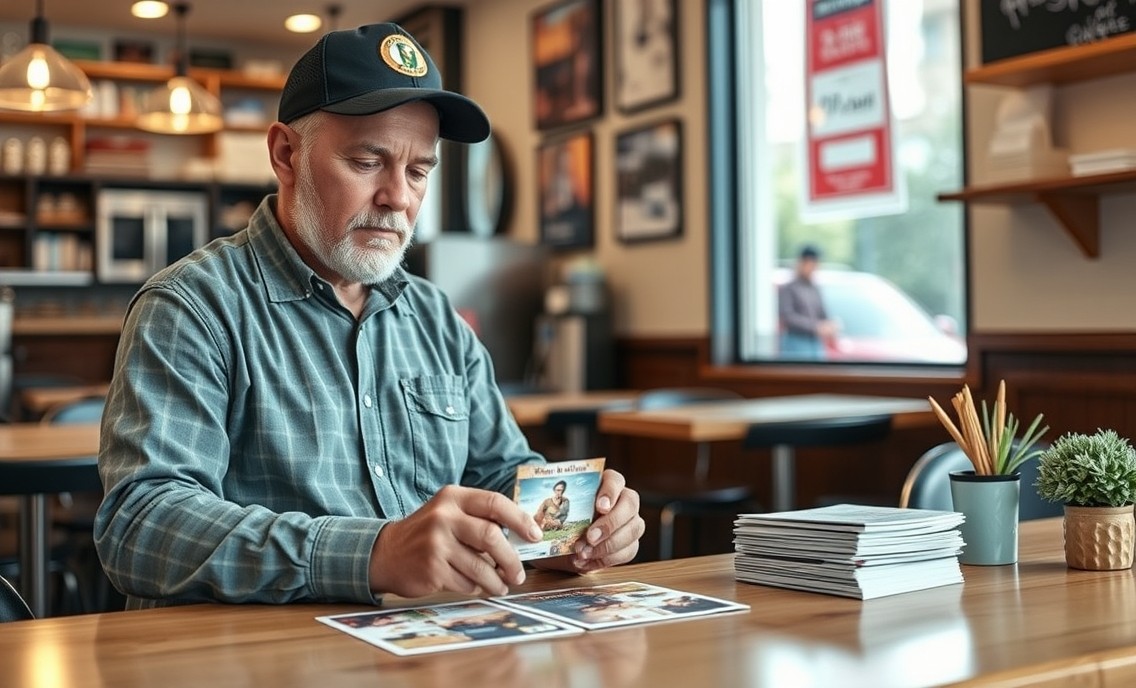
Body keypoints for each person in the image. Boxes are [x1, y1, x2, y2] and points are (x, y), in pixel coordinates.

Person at [93, 22, 644, 609]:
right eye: (367, 161)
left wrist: (569, 527)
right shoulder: (192, 308)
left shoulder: (436, 319)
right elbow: (141, 525)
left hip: (430, 647)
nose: (398, 198)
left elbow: (500, 474)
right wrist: (373, 553)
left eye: (418, 171)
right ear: (287, 154)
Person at [777, 245, 838, 360]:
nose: (813, 268)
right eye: (810, 264)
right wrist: (815, 327)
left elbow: (822, 313)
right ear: (801, 263)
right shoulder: (789, 288)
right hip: (796, 342)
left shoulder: (815, 288)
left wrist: (829, 325)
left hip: (815, 342)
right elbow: (787, 316)